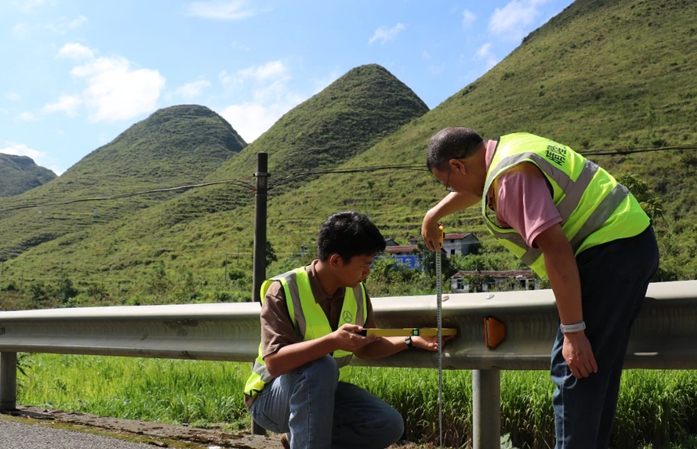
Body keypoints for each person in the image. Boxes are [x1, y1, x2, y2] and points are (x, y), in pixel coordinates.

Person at [421, 128, 659, 449]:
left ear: (458, 165)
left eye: (448, 184)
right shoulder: (510, 150)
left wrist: (573, 331)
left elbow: (556, 251)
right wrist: (435, 213)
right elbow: (477, 187)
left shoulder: (510, 179)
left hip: (608, 254)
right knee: (593, 372)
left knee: (575, 367)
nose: (452, 191)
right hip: (627, 240)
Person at [244, 211, 443, 449]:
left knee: (387, 424)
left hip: (323, 394)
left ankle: (298, 438)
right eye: (364, 265)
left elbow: (367, 346)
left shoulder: (356, 291)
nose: (368, 272)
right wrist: (333, 341)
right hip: (270, 400)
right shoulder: (284, 290)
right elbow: (275, 363)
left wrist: (412, 340)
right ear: (336, 260)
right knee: (321, 366)